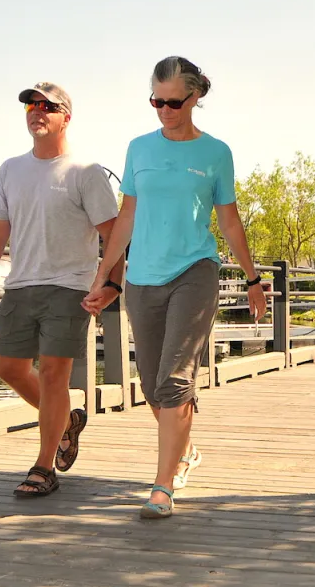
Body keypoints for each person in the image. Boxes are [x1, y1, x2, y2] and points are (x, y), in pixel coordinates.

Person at [83, 56, 267, 519]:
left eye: (172, 101)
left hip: (194, 270)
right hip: (142, 277)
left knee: (174, 379)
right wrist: (105, 275)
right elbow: (126, 217)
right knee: (150, 383)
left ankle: (162, 488)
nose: (163, 110)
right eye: (155, 101)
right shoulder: (139, 149)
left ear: (195, 97)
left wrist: (253, 280)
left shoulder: (215, 153)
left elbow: (228, 219)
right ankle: (184, 449)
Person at [0, 81, 123, 497]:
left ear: (65, 117)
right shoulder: (10, 169)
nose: (37, 112)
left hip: (70, 287)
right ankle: (68, 421)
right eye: (31, 106)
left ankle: (43, 467)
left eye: (47, 107)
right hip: (21, 285)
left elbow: (114, 235)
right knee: (8, 368)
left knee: (54, 374)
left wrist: (110, 283)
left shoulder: (86, 173)